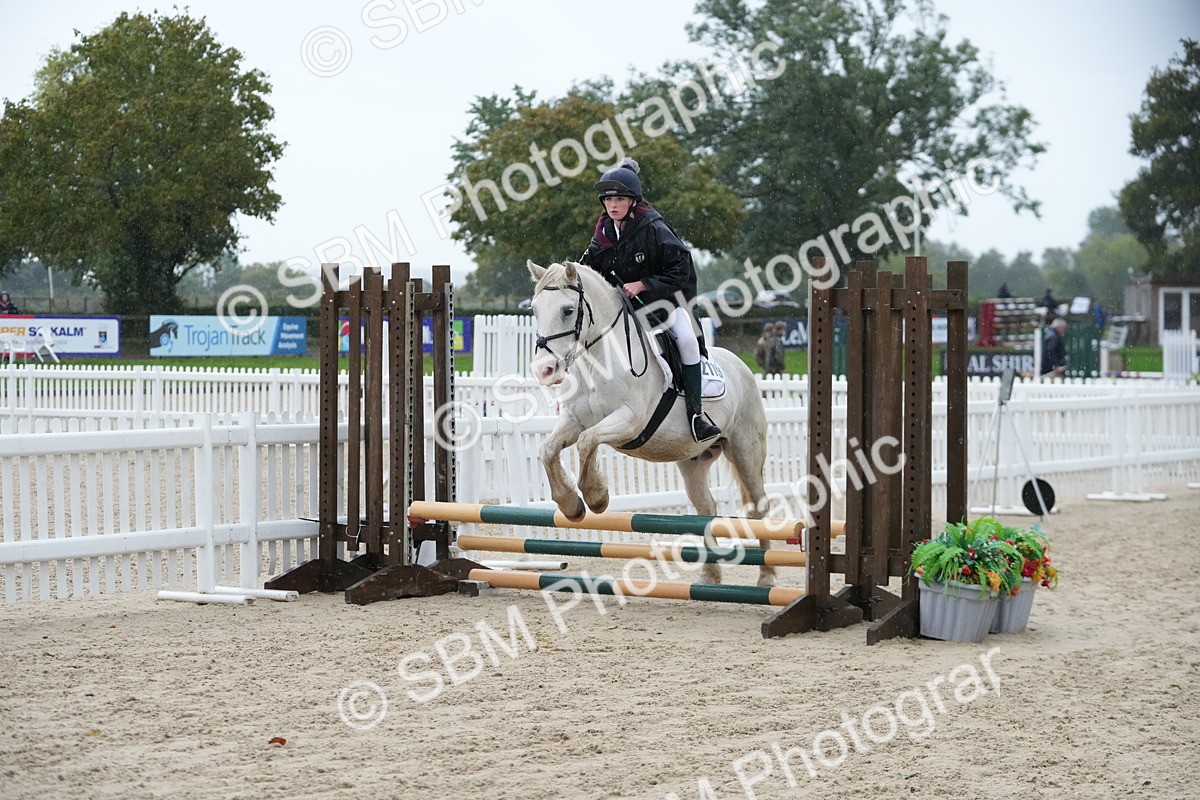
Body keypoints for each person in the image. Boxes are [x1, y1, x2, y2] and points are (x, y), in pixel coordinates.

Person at [580, 157, 720, 442]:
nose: (613, 205)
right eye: (608, 200)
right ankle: (577, 400)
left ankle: (696, 415)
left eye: (619, 198)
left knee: (687, 342)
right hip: (624, 310)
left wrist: (644, 284)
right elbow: (586, 268)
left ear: (633, 201)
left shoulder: (654, 227)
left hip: (663, 303)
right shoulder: (603, 233)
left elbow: (681, 269)